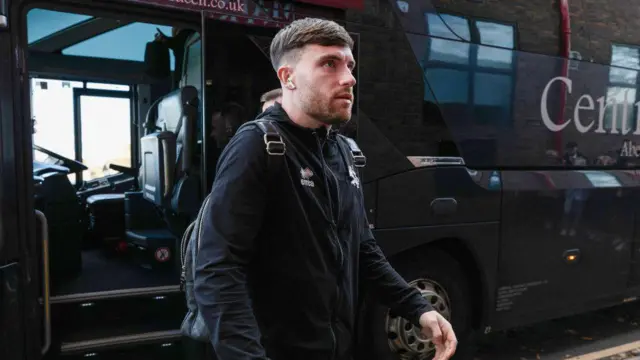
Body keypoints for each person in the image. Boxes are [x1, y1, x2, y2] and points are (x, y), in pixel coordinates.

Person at [193, 17, 457, 360]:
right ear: (287, 77)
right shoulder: (256, 147)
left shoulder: (344, 152)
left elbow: (363, 249)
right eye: (329, 64)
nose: (349, 78)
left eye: (349, 64)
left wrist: (418, 308)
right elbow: (218, 270)